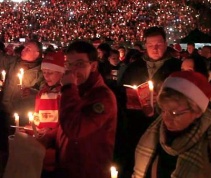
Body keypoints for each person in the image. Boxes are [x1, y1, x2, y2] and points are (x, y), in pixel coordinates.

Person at [39, 40, 117, 178]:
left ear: (93, 66)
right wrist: (50, 136)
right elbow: (68, 122)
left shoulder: (102, 97)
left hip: (88, 171)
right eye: (69, 64)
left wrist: (68, 88)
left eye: (79, 64)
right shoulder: (79, 90)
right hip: (68, 167)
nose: (73, 70)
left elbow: (75, 129)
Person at [133, 71, 211, 178]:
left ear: (197, 112)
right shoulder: (153, 133)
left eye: (174, 113)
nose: (166, 119)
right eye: (163, 110)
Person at [119, 26, 181, 178]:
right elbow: (122, 93)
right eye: (150, 45)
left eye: (158, 44)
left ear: (166, 44)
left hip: (166, 124)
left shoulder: (176, 67)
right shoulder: (134, 68)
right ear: (145, 46)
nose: (155, 48)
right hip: (137, 124)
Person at [0, 40, 44, 126]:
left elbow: (44, 92)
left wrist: (33, 92)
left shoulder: (41, 71)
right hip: (5, 110)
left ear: (37, 54)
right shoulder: (14, 62)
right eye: (24, 47)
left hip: (22, 115)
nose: (23, 50)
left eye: (28, 49)